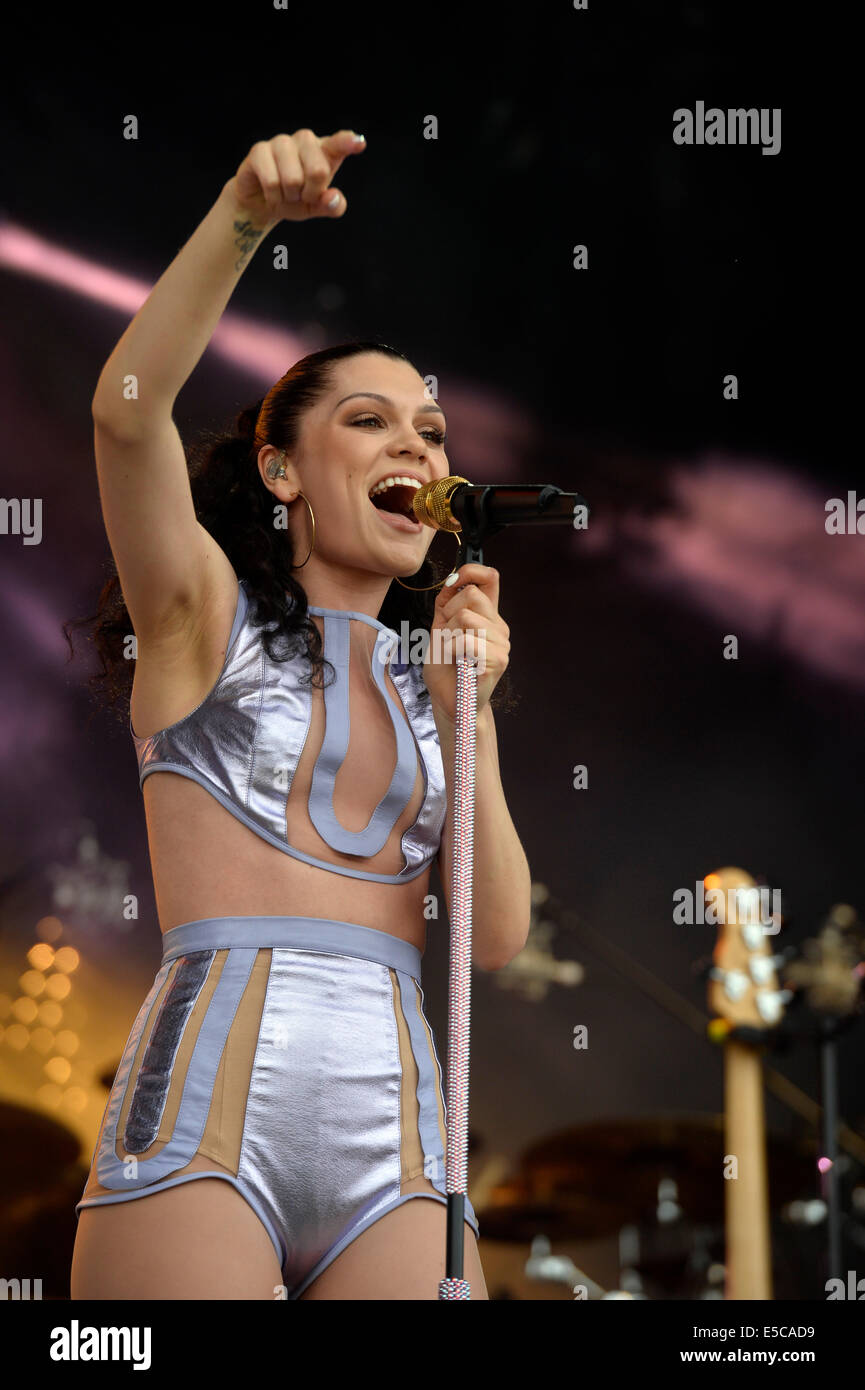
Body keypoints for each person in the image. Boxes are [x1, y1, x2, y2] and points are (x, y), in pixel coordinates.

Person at [69, 128, 532, 1300]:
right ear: (282, 470)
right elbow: (127, 413)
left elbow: (498, 938)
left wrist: (466, 716)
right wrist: (242, 214)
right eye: (370, 421)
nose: (416, 447)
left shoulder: (435, 676)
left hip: (400, 1154)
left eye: (429, 430)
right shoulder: (203, 618)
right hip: (203, 1132)